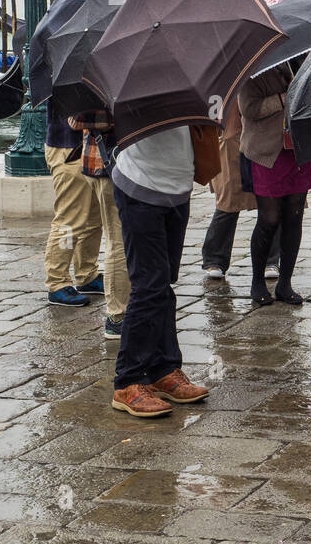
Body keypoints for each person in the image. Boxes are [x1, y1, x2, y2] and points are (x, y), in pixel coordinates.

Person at [110, 126, 210, 418]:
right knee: (149, 286)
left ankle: (163, 368)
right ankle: (128, 380)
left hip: (177, 185)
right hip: (140, 185)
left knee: (163, 285)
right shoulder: (131, 81)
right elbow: (87, 120)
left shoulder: (187, 80)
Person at [238, 63, 311, 307]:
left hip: (296, 149)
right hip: (266, 154)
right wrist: (284, 98)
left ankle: (285, 283)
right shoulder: (250, 72)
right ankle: (257, 281)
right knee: (269, 219)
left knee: (294, 217)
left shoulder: (292, 63)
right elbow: (249, 109)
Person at [67, 108, 131, 340]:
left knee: (121, 237)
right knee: (118, 240)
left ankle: (124, 306)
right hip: (108, 165)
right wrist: (127, 114)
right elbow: (76, 119)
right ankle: (117, 315)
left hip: (113, 163)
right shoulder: (96, 76)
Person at [200, 101, 280, 279]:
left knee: (271, 200)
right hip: (230, 135)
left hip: (265, 135)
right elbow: (212, 107)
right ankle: (214, 258)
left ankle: (271, 259)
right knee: (229, 200)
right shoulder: (219, 77)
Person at [43, 100, 105, 308]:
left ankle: (87, 273)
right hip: (69, 149)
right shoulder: (66, 71)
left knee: (94, 219)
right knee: (70, 221)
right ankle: (57, 281)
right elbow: (73, 120)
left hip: (89, 148)